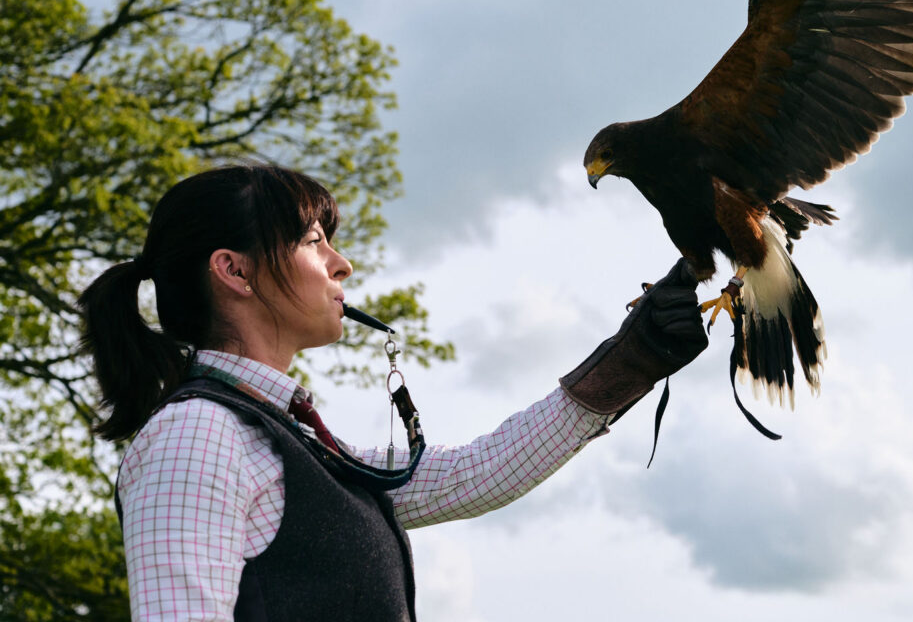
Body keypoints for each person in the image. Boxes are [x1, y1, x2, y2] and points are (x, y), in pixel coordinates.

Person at [77, 164, 708, 621]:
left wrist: (634, 358)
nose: (341, 262)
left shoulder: (295, 441)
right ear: (234, 270)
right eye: (312, 241)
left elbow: (477, 474)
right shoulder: (195, 440)